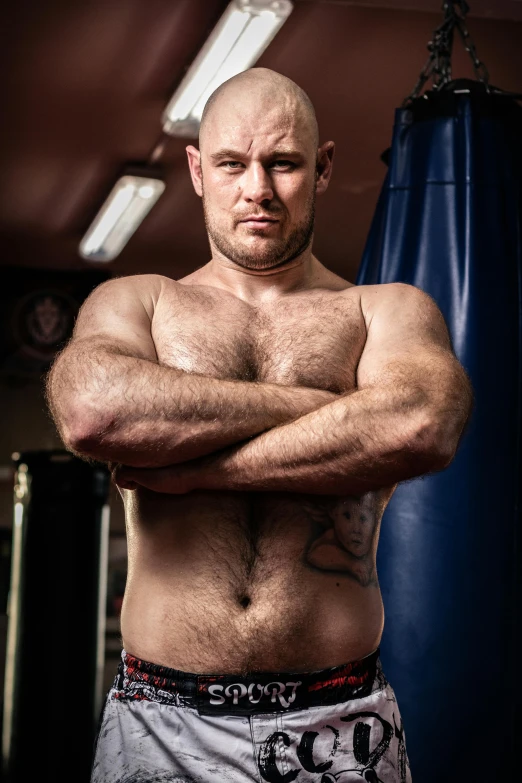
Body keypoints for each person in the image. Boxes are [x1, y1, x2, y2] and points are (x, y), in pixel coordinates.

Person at [46, 68, 472, 783]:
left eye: (283, 163)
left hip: (338, 721)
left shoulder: (384, 311)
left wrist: (195, 468)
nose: (258, 190)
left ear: (324, 165)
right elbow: (92, 409)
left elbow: (423, 422)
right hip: (162, 719)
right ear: (196, 169)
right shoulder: (140, 303)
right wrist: (326, 408)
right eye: (232, 164)